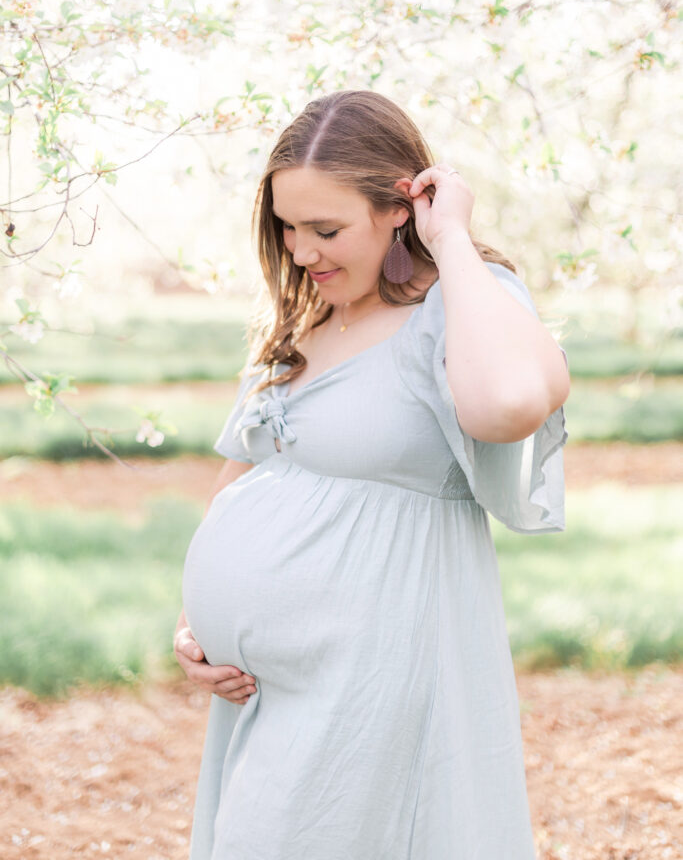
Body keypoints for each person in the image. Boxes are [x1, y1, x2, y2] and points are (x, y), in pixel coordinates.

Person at [175, 89, 570, 860]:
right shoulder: (300, 320)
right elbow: (239, 477)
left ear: (399, 206)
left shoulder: (459, 306)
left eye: (326, 229)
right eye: (287, 227)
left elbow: (510, 405)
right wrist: (194, 626)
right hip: (265, 689)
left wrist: (451, 237)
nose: (301, 251)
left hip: (375, 677)